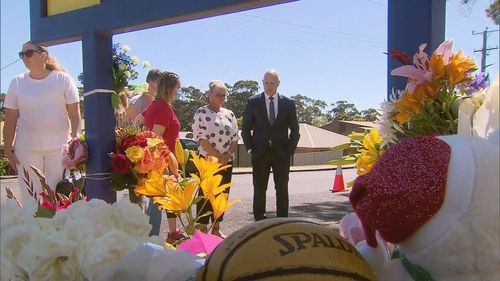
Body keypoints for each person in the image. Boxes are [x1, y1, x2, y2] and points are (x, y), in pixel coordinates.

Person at [3, 42, 81, 200]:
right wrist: (7, 149)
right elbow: (10, 119)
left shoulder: (63, 79)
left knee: (58, 197)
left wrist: (75, 140)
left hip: (59, 149)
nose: (24, 58)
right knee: (31, 199)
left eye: (29, 53)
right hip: (26, 149)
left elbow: (74, 113)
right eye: (22, 54)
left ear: (43, 55)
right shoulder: (16, 83)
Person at [241, 69, 300, 221]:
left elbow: (295, 130)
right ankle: (259, 221)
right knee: (259, 189)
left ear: (278, 83)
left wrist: (289, 151)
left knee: (282, 189)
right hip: (259, 153)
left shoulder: (288, 103)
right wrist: (250, 149)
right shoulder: (253, 101)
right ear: (262, 83)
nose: (269, 86)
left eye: (272, 83)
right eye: (266, 83)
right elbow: (245, 128)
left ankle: (282, 221)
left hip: (282, 153)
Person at [135, 71, 184, 243]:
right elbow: (156, 138)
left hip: (158, 162)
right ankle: (151, 241)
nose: (178, 91)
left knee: (159, 202)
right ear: (170, 88)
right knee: (157, 204)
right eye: (177, 88)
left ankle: (166, 235)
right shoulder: (163, 109)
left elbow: (137, 122)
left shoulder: (155, 105)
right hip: (163, 163)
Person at [192, 80, 239, 237]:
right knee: (205, 195)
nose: (221, 98)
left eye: (224, 95)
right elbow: (201, 139)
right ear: (210, 95)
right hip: (207, 161)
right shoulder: (201, 113)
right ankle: (203, 229)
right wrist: (217, 156)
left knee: (222, 195)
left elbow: (234, 138)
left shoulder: (229, 114)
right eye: (218, 95)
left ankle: (217, 228)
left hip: (226, 162)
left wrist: (226, 156)